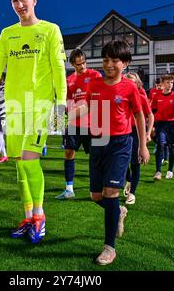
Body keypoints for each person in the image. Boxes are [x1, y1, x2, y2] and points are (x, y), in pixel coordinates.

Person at [0, 0, 67, 244]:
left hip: (40, 105)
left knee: (29, 160)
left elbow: (59, 70)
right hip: (13, 106)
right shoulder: (7, 34)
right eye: (15, 1)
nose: (20, 4)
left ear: (34, 0)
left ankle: (40, 217)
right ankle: (27, 216)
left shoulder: (51, 30)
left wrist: (61, 104)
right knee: (19, 166)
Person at [71, 40, 150, 265]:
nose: (109, 64)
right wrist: (69, 115)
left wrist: (142, 145)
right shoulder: (94, 84)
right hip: (98, 141)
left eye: (115, 60)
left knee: (111, 193)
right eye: (106, 59)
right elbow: (87, 106)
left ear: (124, 63)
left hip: (120, 144)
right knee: (96, 196)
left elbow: (138, 116)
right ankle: (119, 212)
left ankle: (109, 248)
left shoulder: (129, 88)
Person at [55, 48, 102, 200]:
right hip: (74, 123)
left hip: (92, 123)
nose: (82, 66)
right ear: (72, 65)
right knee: (69, 153)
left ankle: (97, 187)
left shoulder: (95, 75)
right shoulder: (69, 81)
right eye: (78, 64)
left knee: (95, 157)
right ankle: (69, 189)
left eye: (83, 63)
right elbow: (66, 103)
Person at [123, 73, 153, 205]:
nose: (129, 84)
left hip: (136, 133)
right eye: (127, 81)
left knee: (135, 163)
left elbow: (150, 115)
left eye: (132, 82)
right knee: (122, 163)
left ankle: (132, 193)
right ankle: (129, 180)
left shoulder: (141, 97)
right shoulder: (119, 96)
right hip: (122, 132)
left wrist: (147, 133)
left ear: (137, 84)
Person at [152, 74, 174, 181]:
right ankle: (158, 171)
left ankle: (170, 170)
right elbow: (153, 110)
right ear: (161, 84)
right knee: (160, 145)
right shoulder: (157, 96)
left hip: (172, 125)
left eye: (171, 83)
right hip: (161, 124)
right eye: (167, 82)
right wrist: (150, 122)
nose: (169, 85)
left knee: (172, 147)